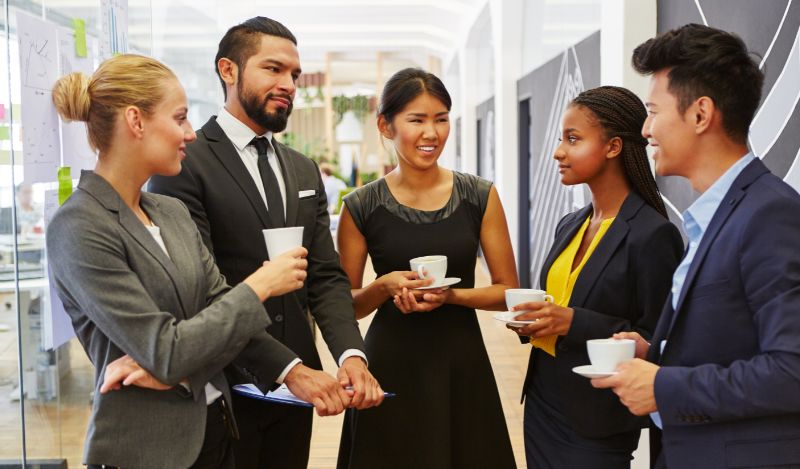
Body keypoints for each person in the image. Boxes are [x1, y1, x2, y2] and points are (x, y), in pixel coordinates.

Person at [47, 54, 318, 469]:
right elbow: (168, 349)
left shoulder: (170, 212)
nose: (190, 134)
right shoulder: (80, 227)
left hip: (216, 432)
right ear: (136, 121)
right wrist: (260, 285)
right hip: (147, 451)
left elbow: (212, 316)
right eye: (180, 118)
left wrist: (181, 367)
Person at [148, 16, 383, 469]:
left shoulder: (302, 169)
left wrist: (350, 354)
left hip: (298, 392)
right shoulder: (183, 163)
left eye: (294, 74)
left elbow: (326, 277)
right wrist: (287, 370)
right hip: (223, 386)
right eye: (273, 69)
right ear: (228, 70)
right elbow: (197, 290)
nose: (289, 84)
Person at [592, 24, 800, 469]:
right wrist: (659, 353)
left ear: (701, 114)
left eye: (652, 111)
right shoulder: (717, 214)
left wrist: (663, 385)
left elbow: (792, 371)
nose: (645, 129)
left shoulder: (770, 215)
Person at [336, 68, 518, 469]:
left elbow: (507, 289)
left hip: (461, 361)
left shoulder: (479, 195)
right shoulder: (360, 206)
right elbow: (345, 308)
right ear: (386, 125)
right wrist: (382, 288)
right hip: (390, 363)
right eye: (416, 120)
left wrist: (451, 296)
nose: (431, 133)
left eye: (440, 119)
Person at [508, 86, 683, 468]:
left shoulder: (652, 234)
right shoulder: (569, 224)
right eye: (561, 139)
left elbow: (662, 339)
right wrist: (532, 321)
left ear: (614, 147)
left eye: (573, 139)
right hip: (542, 401)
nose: (558, 152)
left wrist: (572, 321)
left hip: (599, 416)